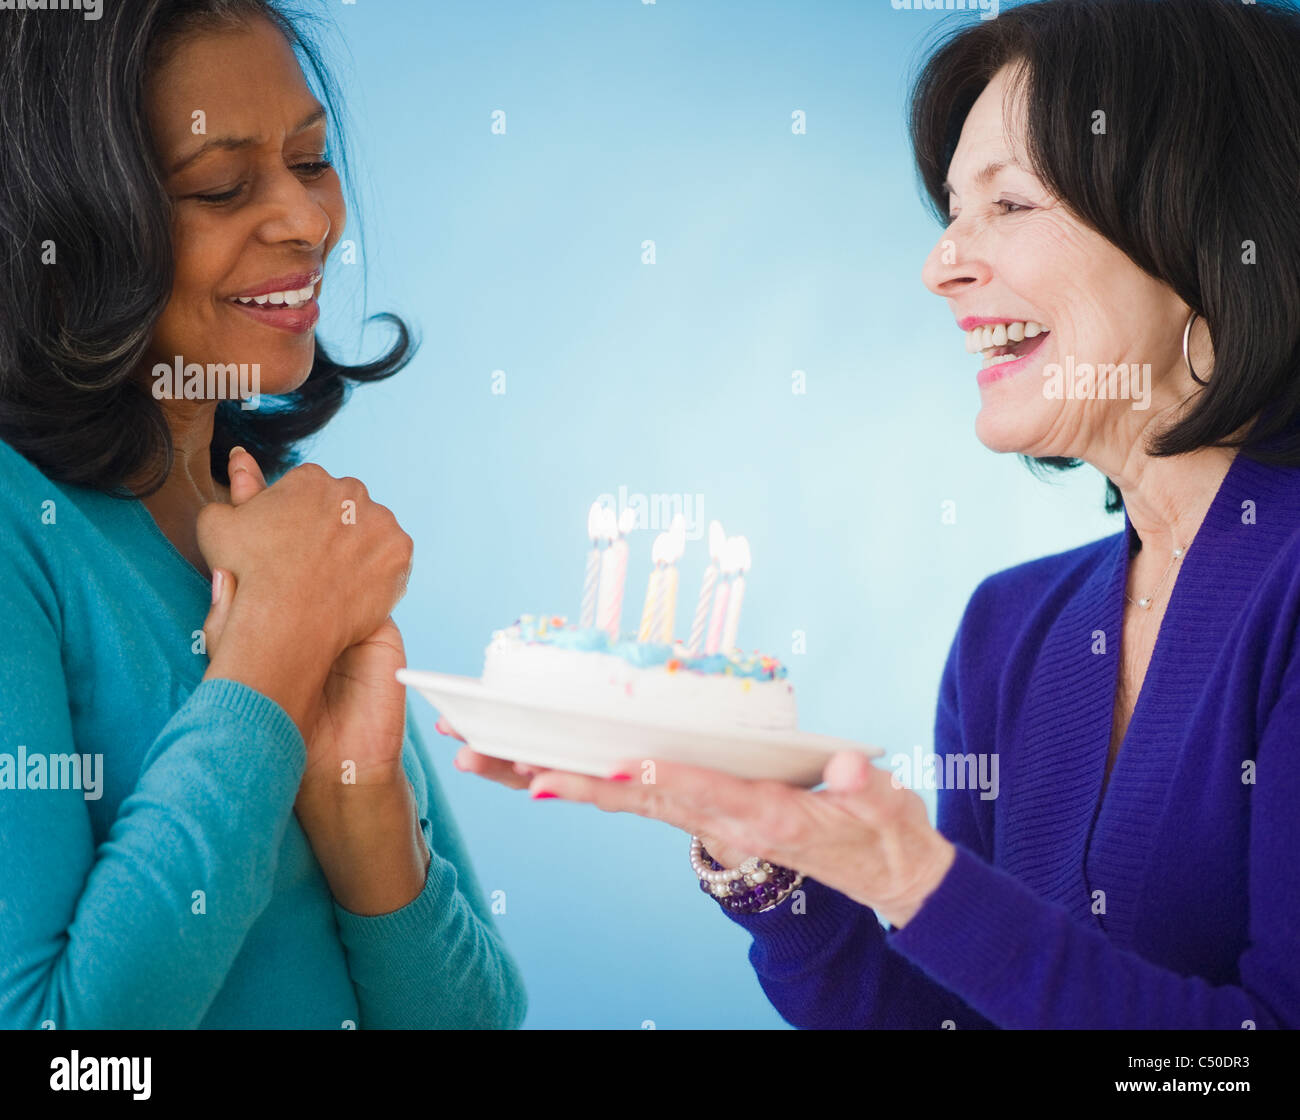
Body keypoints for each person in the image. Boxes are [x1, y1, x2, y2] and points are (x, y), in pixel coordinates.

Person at [450, 0, 1300, 1029]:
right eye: (951, 210)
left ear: (1205, 224)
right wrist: (774, 864)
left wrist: (912, 876)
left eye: (1010, 204)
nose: (941, 263)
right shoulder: (1011, 629)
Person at [0, 0, 526, 1029]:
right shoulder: (24, 531)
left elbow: (477, 1018)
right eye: (223, 185)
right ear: (59, 227)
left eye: (312, 159)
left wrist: (362, 804)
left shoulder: (274, 507)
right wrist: (266, 672)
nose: (307, 221)